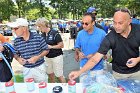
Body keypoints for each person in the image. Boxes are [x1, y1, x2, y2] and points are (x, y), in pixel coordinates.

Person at [69, 8, 140, 81]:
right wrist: (79, 72)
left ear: (129, 21)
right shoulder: (110, 37)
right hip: (118, 74)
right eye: (114, 22)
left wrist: (138, 59)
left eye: (120, 23)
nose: (116, 26)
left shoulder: (138, 30)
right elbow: (95, 59)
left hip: (137, 72)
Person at [8, 18, 49, 83]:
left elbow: (46, 50)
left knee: (42, 87)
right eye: (12, 29)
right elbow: (15, 54)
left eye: (16, 28)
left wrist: (38, 57)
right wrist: (18, 59)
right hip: (26, 69)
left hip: (39, 68)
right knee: (29, 88)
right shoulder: (16, 41)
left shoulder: (38, 37)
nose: (13, 31)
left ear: (24, 28)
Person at [74, 12, 106, 82]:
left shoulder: (102, 34)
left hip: (98, 69)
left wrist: (94, 55)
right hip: (83, 67)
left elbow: (106, 52)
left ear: (93, 23)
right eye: (82, 23)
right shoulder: (80, 33)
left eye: (86, 23)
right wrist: (79, 52)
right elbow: (77, 46)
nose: (84, 26)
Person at [35, 18, 66, 83]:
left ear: (43, 25)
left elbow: (61, 45)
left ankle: (65, 89)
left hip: (56, 57)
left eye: (39, 26)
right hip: (47, 58)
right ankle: (53, 88)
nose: (38, 28)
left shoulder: (54, 33)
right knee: (50, 75)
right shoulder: (42, 35)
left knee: (59, 75)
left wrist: (51, 47)